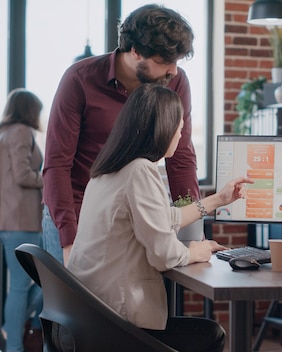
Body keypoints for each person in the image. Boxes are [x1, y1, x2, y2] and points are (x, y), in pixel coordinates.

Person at [66, 84, 253, 352]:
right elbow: (164, 255)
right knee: (210, 334)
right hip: (116, 324)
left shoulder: (107, 172)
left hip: (90, 318)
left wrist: (219, 199)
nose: (180, 132)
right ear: (161, 126)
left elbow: (163, 218)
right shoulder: (140, 170)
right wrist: (195, 251)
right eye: (178, 124)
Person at [42, 4, 200, 264]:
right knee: (70, 304)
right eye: (165, 61)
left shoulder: (175, 82)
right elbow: (57, 165)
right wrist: (70, 238)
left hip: (135, 216)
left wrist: (191, 226)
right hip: (75, 213)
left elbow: (180, 157)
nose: (173, 70)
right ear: (136, 51)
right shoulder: (79, 79)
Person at [0, 89, 44, 352]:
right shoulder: (21, 132)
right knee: (26, 285)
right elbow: (23, 175)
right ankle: (14, 345)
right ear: (29, 110)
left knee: (25, 285)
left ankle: (12, 330)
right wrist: (49, 178)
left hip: (9, 220)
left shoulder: (4, 133)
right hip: (22, 220)